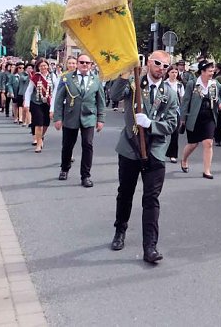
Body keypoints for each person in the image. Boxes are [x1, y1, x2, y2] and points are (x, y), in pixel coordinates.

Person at [109, 50, 180, 264]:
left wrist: (152, 124)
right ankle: (120, 230)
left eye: (166, 66)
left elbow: (171, 123)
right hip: (131, 148)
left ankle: (150, 246)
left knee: (151, 199)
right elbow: (113, 96)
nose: (161, 68)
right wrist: (124, 74)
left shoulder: (170, 92)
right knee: (125, 193)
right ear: (149, 62)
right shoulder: (134, 84)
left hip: (155, 151)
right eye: (158, 63)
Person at [180, 60, 221, 179]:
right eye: (210, 71)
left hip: (209, 116)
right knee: (193, 144)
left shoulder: (214, 83)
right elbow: (185, 102)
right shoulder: (192, 83)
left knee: (208, 143)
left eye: (213, 70)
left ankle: (207, 171)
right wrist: (182, 119)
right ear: (202, 71)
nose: (212, 72)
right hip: (195, 117)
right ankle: (184, 159)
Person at [53, 54, 105, 187]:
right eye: (82, 62)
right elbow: (59, 99)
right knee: (67, 145)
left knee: (88, 145)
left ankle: (86, 176)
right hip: (71, 116)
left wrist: (101, 119)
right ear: (77, 63)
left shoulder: (96, 79)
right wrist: (57, 118)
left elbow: (101, 101)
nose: (84, 65)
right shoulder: (67, 78)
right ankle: (65, 168)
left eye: (87, 63)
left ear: (91, 65)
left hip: (89, 117)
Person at [24, 59, 53, 152]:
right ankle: (39, 144)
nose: (43, 67)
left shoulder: (53, 76)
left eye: (45, 65)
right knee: (38, 123)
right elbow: (29, 91)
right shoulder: (36, 77)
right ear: (38, 67)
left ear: (48, 66)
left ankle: (41, 136)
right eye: (41, 66)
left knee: (46, 123)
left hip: (48, 103)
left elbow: (56, 90)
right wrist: (27, 103)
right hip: (36, 102)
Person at [163, 67, 185, 163]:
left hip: (176, 111)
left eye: (176, 72)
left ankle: (173, 154)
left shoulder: (180, 85)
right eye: (172, 72)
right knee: (161, 132)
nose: (174, 74)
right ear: (168, 73)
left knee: (175, 133)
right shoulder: (164, 84)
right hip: (164, 110)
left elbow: (183, 98)